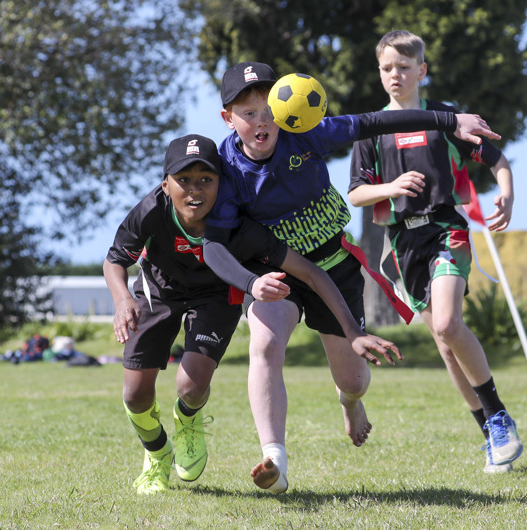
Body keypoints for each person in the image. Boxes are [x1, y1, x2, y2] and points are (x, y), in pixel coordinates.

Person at [202, 60, 502, 494]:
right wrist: (250, 284)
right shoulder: (226, 171)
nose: (261, 121)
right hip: (275, 270)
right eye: (248, 114)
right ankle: (275, 458)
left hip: (335, 265)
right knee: (265, 344)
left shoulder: (306, 133)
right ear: (228, 118)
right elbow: (212, 243)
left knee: (354, 380)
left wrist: (451, 119)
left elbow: (374, 122)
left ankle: (351, 404)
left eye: (267, 109)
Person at [103, 133, 402, 495]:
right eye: (183, 180)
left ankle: (188, 421)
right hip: (159, 291)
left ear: (221, 183)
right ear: (165, 184)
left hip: (215, 295)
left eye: (206, 180)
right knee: (135, 395)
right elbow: (115, 259)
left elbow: (310, 271)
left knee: (191, 385)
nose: (194, 190)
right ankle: (157, 454)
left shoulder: (238, 226)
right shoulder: (151, 210)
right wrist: (122, 301)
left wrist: (353, 332)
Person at [349, 30, 522, 474]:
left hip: (447, 230)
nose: (394, 75)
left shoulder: (445, 118)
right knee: (447, 347)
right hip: (404, 243)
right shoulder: (369, 129)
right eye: (387, 68)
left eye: (404, 67)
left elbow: (498, 160)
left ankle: (499, 415)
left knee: (447, 322)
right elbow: (356, 194)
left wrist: (506, 193)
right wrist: (390, 187)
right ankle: (489, 434)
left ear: (421, 71)